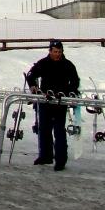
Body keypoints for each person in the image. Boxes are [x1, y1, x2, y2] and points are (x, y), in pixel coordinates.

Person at [26, 39, 80, 172]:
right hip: (45, 101)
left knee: (59, 131)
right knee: (43, 129)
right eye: (55, 52)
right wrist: (33, 86)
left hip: (60, 102)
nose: (57, 54)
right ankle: (45, 156)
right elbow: (31, 75)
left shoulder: (67, 65)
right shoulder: (43, 63)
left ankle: (60, 160)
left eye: (59, 52)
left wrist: (70, 92)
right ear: (50, 51)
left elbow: (74, 80)